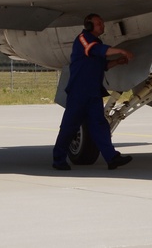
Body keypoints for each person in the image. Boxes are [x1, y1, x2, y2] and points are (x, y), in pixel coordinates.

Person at [52, 14, 134, 170]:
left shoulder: (97, 42)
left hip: (93, 93)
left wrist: (117, 61)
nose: (102, 26)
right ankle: (58, 160)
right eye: (98, 24)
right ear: (89, 26)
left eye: (102, 23)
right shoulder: (83, 39)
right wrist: (122, 51)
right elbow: (98, 51)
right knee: (69, 127)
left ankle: (111, 158)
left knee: (100, 126)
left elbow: (102, 65)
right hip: (79, 93)